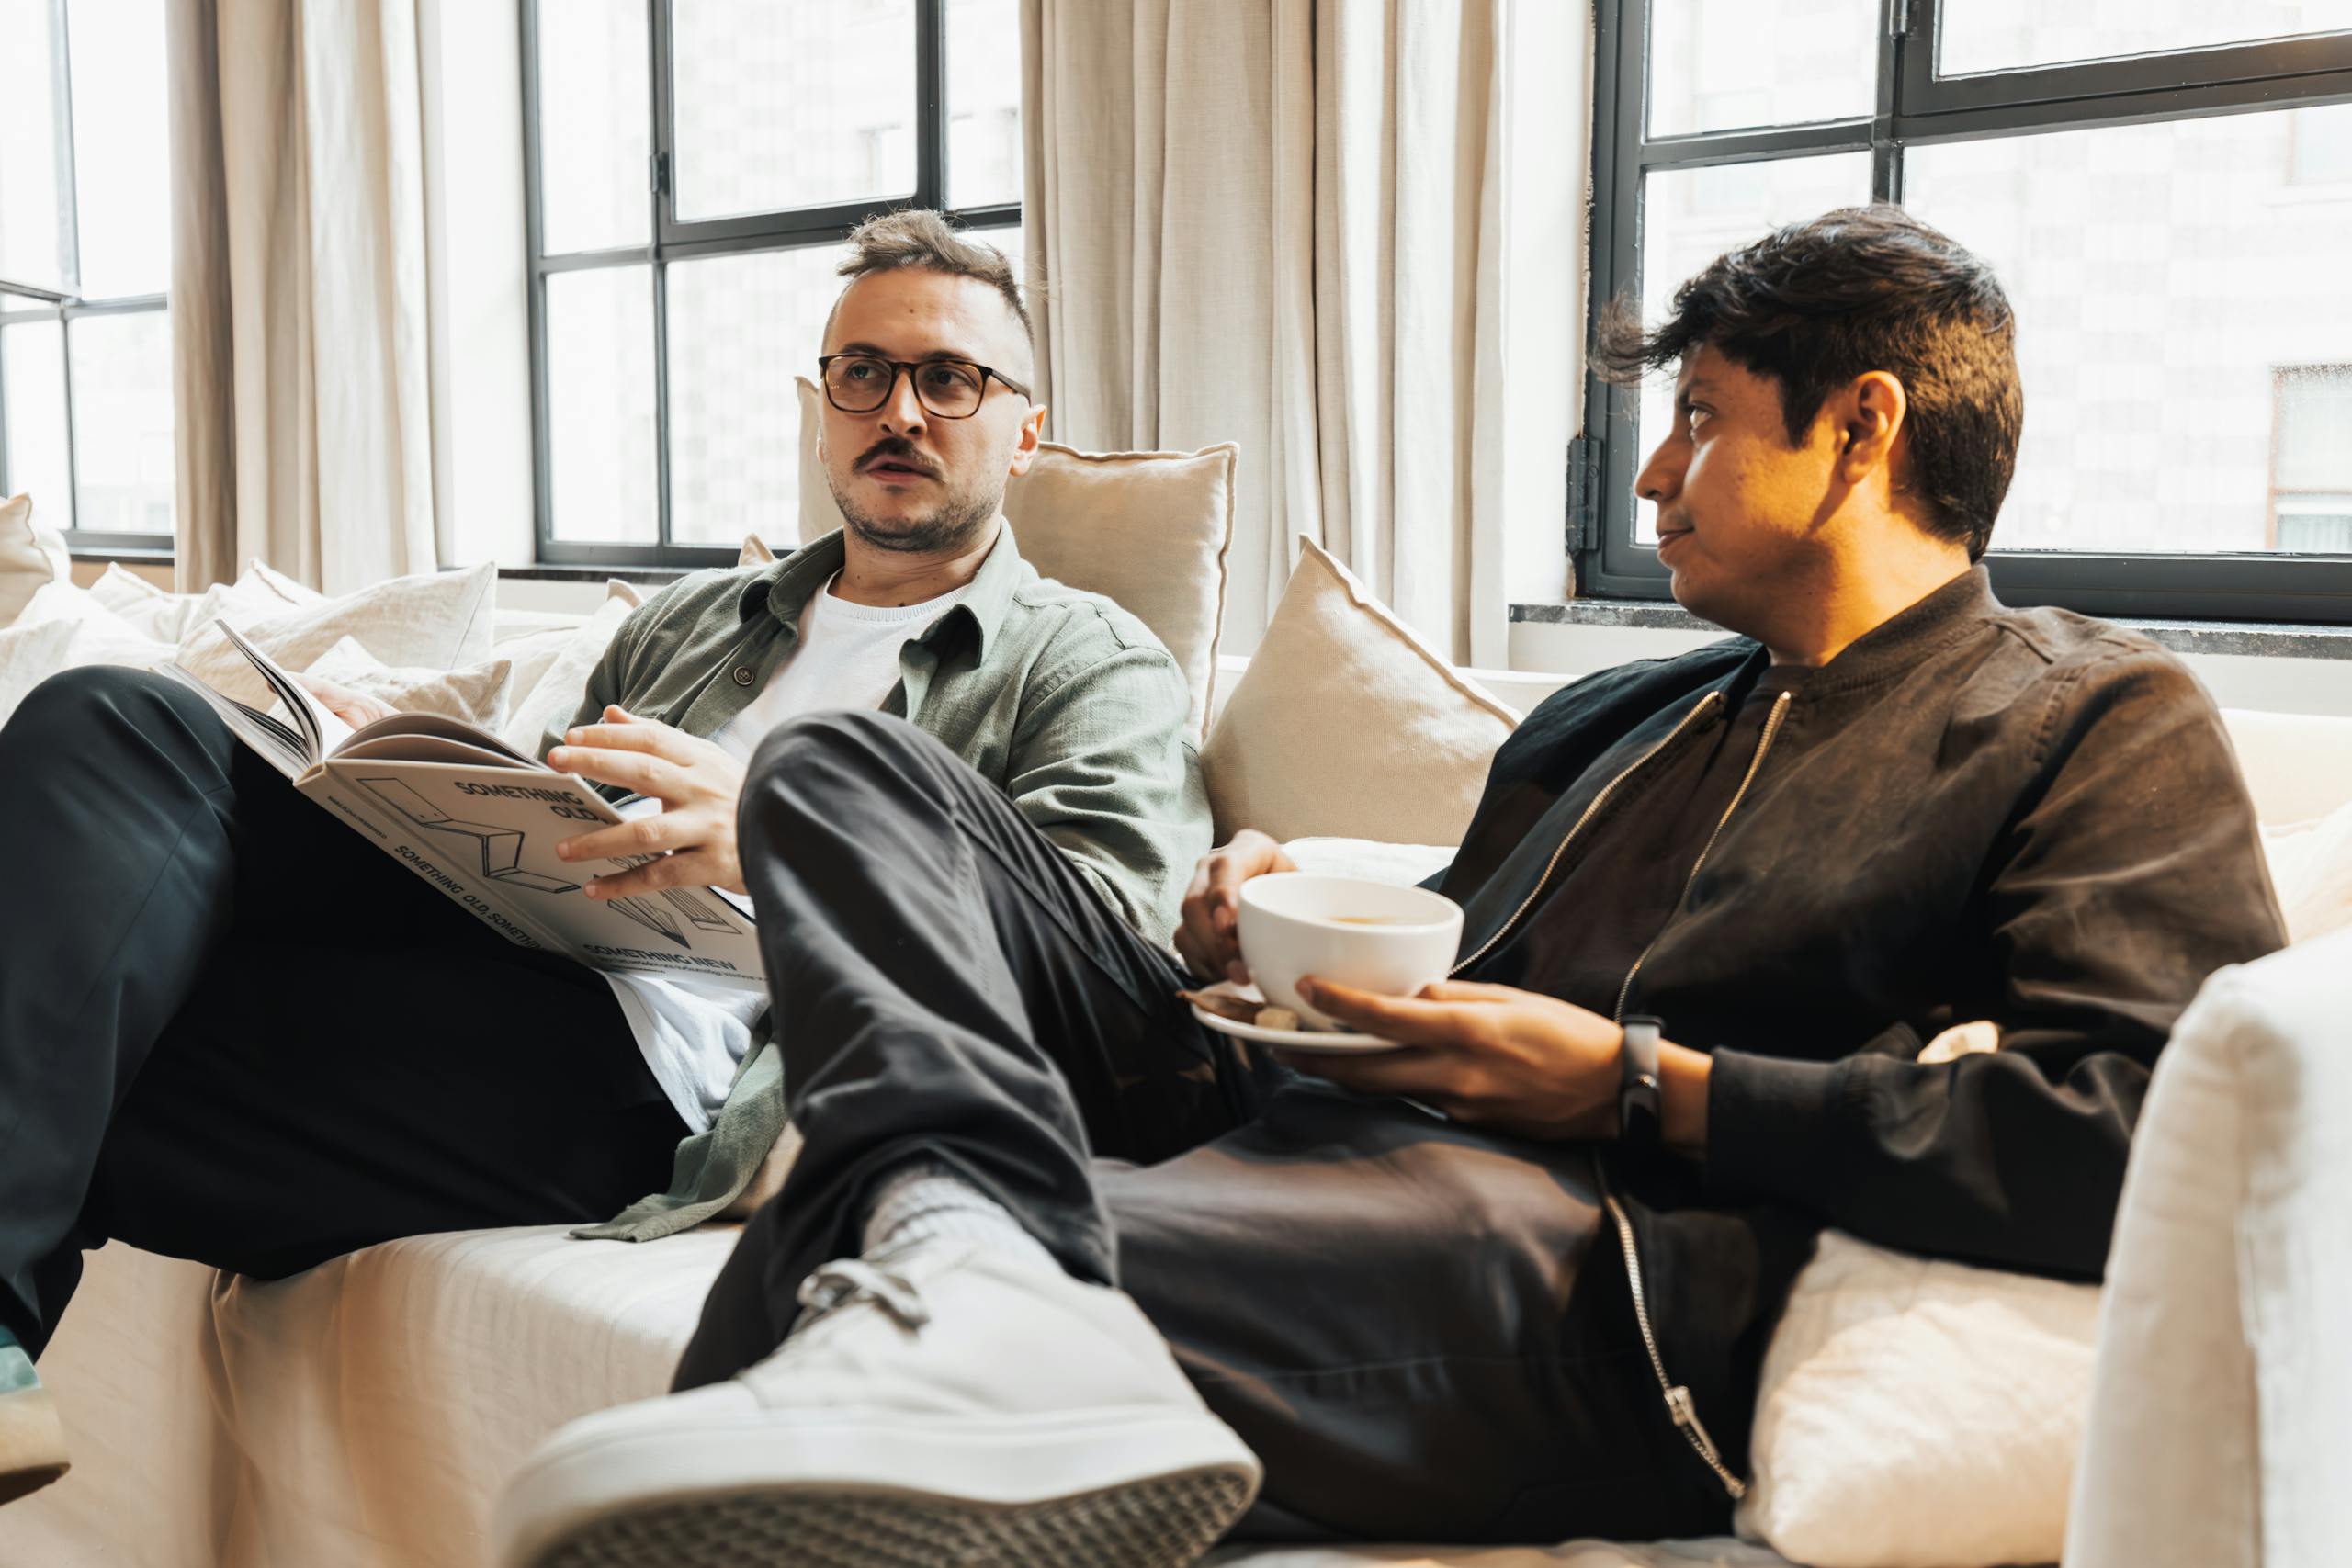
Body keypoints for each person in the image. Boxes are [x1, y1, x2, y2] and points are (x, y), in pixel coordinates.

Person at [492, 205, 2286, 1568]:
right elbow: (1448, 939)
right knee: (838, 769)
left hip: (1567, 1245)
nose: (1650, 473)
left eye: (1698, 421)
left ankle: (962, 1255)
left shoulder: (2079, 713)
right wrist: (1244, 924)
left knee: (856, 1232)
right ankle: (970, 1238)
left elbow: (2142, 1134)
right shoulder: (1621, 705)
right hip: (1292, 1110)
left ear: (1859, 427)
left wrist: (1641, 1084)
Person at [0, 211, 1206, 1507]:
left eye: (949, 377)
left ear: (1023, 430)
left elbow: (1103, 958)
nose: (898, 409)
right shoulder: (692, 624)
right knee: (112, 719)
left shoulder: (1088, 661)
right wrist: (385, 767)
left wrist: (787, 833)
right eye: (862, 372)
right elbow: (535, 799)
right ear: (823, 409)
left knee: (74, 1051)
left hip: (676, 1072)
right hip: (517, 949)